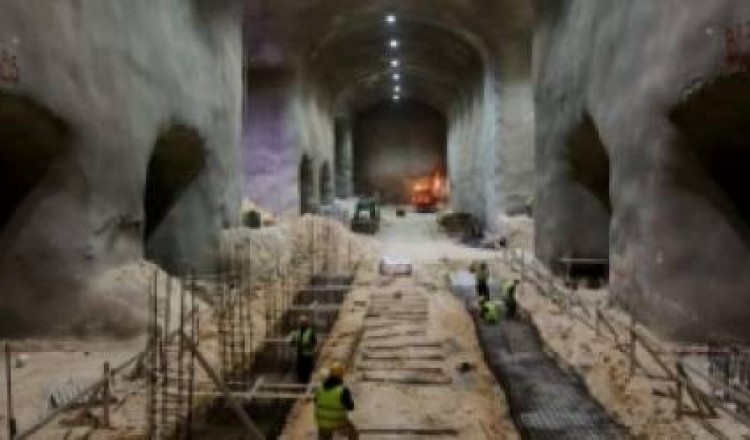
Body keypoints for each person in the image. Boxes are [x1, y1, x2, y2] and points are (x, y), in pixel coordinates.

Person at [314, 362, 358, 440]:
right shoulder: (342, 390)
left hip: (322, 422)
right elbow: (351, 407)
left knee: (324, 436)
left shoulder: (319, 389)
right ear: (341, 376)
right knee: (353, 433)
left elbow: (315, 401)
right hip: (338, 422)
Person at [290, 315, 317, 383]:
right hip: (300, 354)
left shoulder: (310, 332)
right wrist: (294, 341)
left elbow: (314, 343)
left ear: (307, 323)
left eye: (303, 322)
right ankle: (301, 383)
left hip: (308, 355)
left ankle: (306, 383)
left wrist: (313, 349)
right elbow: (292, 343)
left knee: (307, 371)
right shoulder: (297, 332)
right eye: (301, 322)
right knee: (300, 370)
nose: (302, 324)